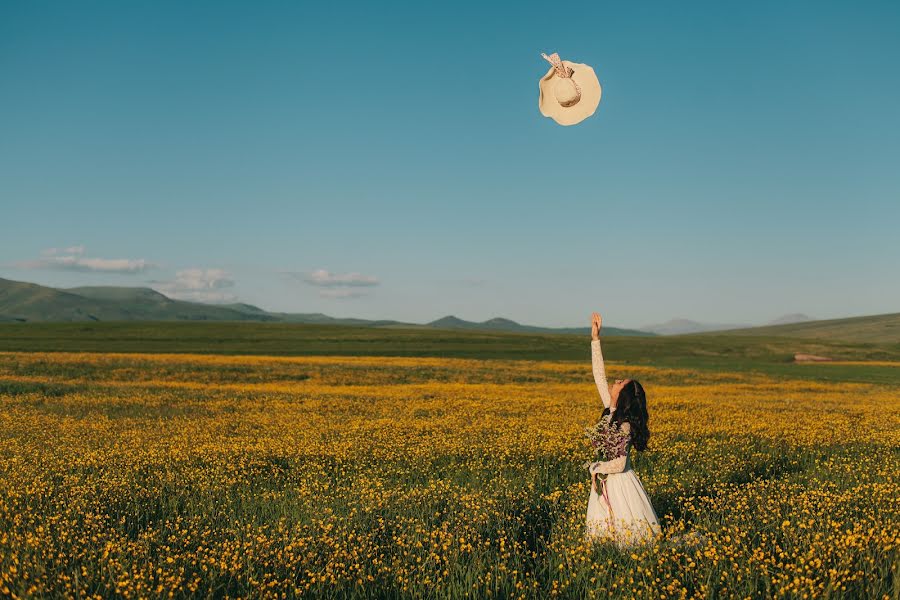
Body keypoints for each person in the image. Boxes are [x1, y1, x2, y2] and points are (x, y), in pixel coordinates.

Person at [585, 311, 661, 546]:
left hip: (620, 484)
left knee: (629, 540)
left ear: (625, 395)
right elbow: (599, 375)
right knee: (607, 537)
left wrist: (595, 467)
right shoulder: (610, 410)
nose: (614, 382)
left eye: (620, 383)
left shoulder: (625, 425)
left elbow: (619, 464)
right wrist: (595, 339)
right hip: (607, 480)